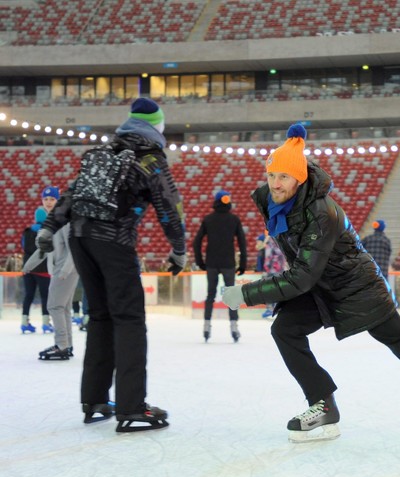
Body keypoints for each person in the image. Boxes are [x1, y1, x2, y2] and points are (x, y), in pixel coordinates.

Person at [221, 124, 400, 444]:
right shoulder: (278, 206)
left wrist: (246, 293)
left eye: (283, 176)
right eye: (271, 175)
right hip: (321, 287)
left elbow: (302, 275)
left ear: (299, 178)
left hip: (357, 286)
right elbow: (303, 268)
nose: (275, 183)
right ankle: (322, 405)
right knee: (285, 328)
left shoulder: (320, 211)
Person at [36, 97, 187, 432]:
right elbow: (169, 208)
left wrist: (49, 227)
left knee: (101, 317)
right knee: (130, 319)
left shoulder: (103, 151)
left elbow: (72, 194)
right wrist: (179, 249)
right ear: (156, 128)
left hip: (80, 239)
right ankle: (133, 407)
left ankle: (95, 399)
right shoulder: (150, 158)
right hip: (113, 241)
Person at [192, 189, 247, 343]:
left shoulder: (208, 219)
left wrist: (200, 261)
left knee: (210, 295)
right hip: (228, 263)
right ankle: (234, 328)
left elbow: (196, 242)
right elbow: (242, 243)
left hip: (212, 263)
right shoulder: (234, 219)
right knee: (233, 295)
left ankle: (206, 327)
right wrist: (243, 263)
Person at [34, 221, 80, 360]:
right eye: (46, 198)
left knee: (54, 306)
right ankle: (67, 344)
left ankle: (61, 346)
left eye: (51, 199)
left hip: (65, 268)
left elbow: (73, 249)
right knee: (63, 307)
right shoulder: (53, 223)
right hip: (62, 268)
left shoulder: (65, 223)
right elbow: (49, 249)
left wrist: (65, 270)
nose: (48, 202)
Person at [20, 202, 53, 334]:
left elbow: (23, 246)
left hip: (28, 267)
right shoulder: (46, 231)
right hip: (43, 269)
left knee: (28, 295)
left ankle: (24, 321)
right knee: (45, 296)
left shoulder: (27, 231)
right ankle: (45, 323)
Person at [257, 230, 287, 319]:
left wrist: (266, 269)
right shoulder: (277, 238)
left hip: (275, 268)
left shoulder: (275, 238)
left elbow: (271, 255)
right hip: (276, 268)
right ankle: (273, 308)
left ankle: (273, 309)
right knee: (274, 288)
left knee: (273, 288)